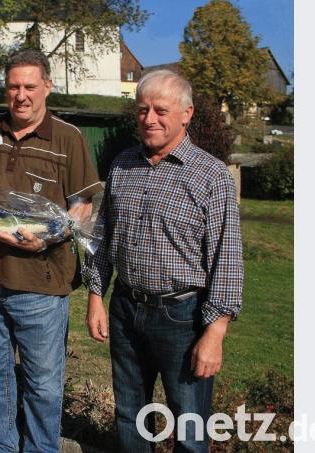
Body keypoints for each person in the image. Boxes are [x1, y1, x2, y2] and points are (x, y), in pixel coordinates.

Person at [82, 69, 243, 452]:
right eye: (142, 109)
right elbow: (103, 237)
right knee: (130, 414)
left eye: (160, 110)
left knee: (188, 424)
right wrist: (95, 297)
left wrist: (214, 333)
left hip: (182, 317)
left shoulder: (211, 175)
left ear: (186, 114)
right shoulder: (123, 165)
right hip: (125, 308)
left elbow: (228, 258)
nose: (149, 118)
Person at [0, 50, 102, 452]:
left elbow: (82, 206)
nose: (21, 95)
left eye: (30, 87)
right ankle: (0, 445)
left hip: (40, 283)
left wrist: (49, 237)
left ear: (47, 87)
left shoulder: (68, 138)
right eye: (13, 86)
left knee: (42, 381)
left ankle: (40, 448)